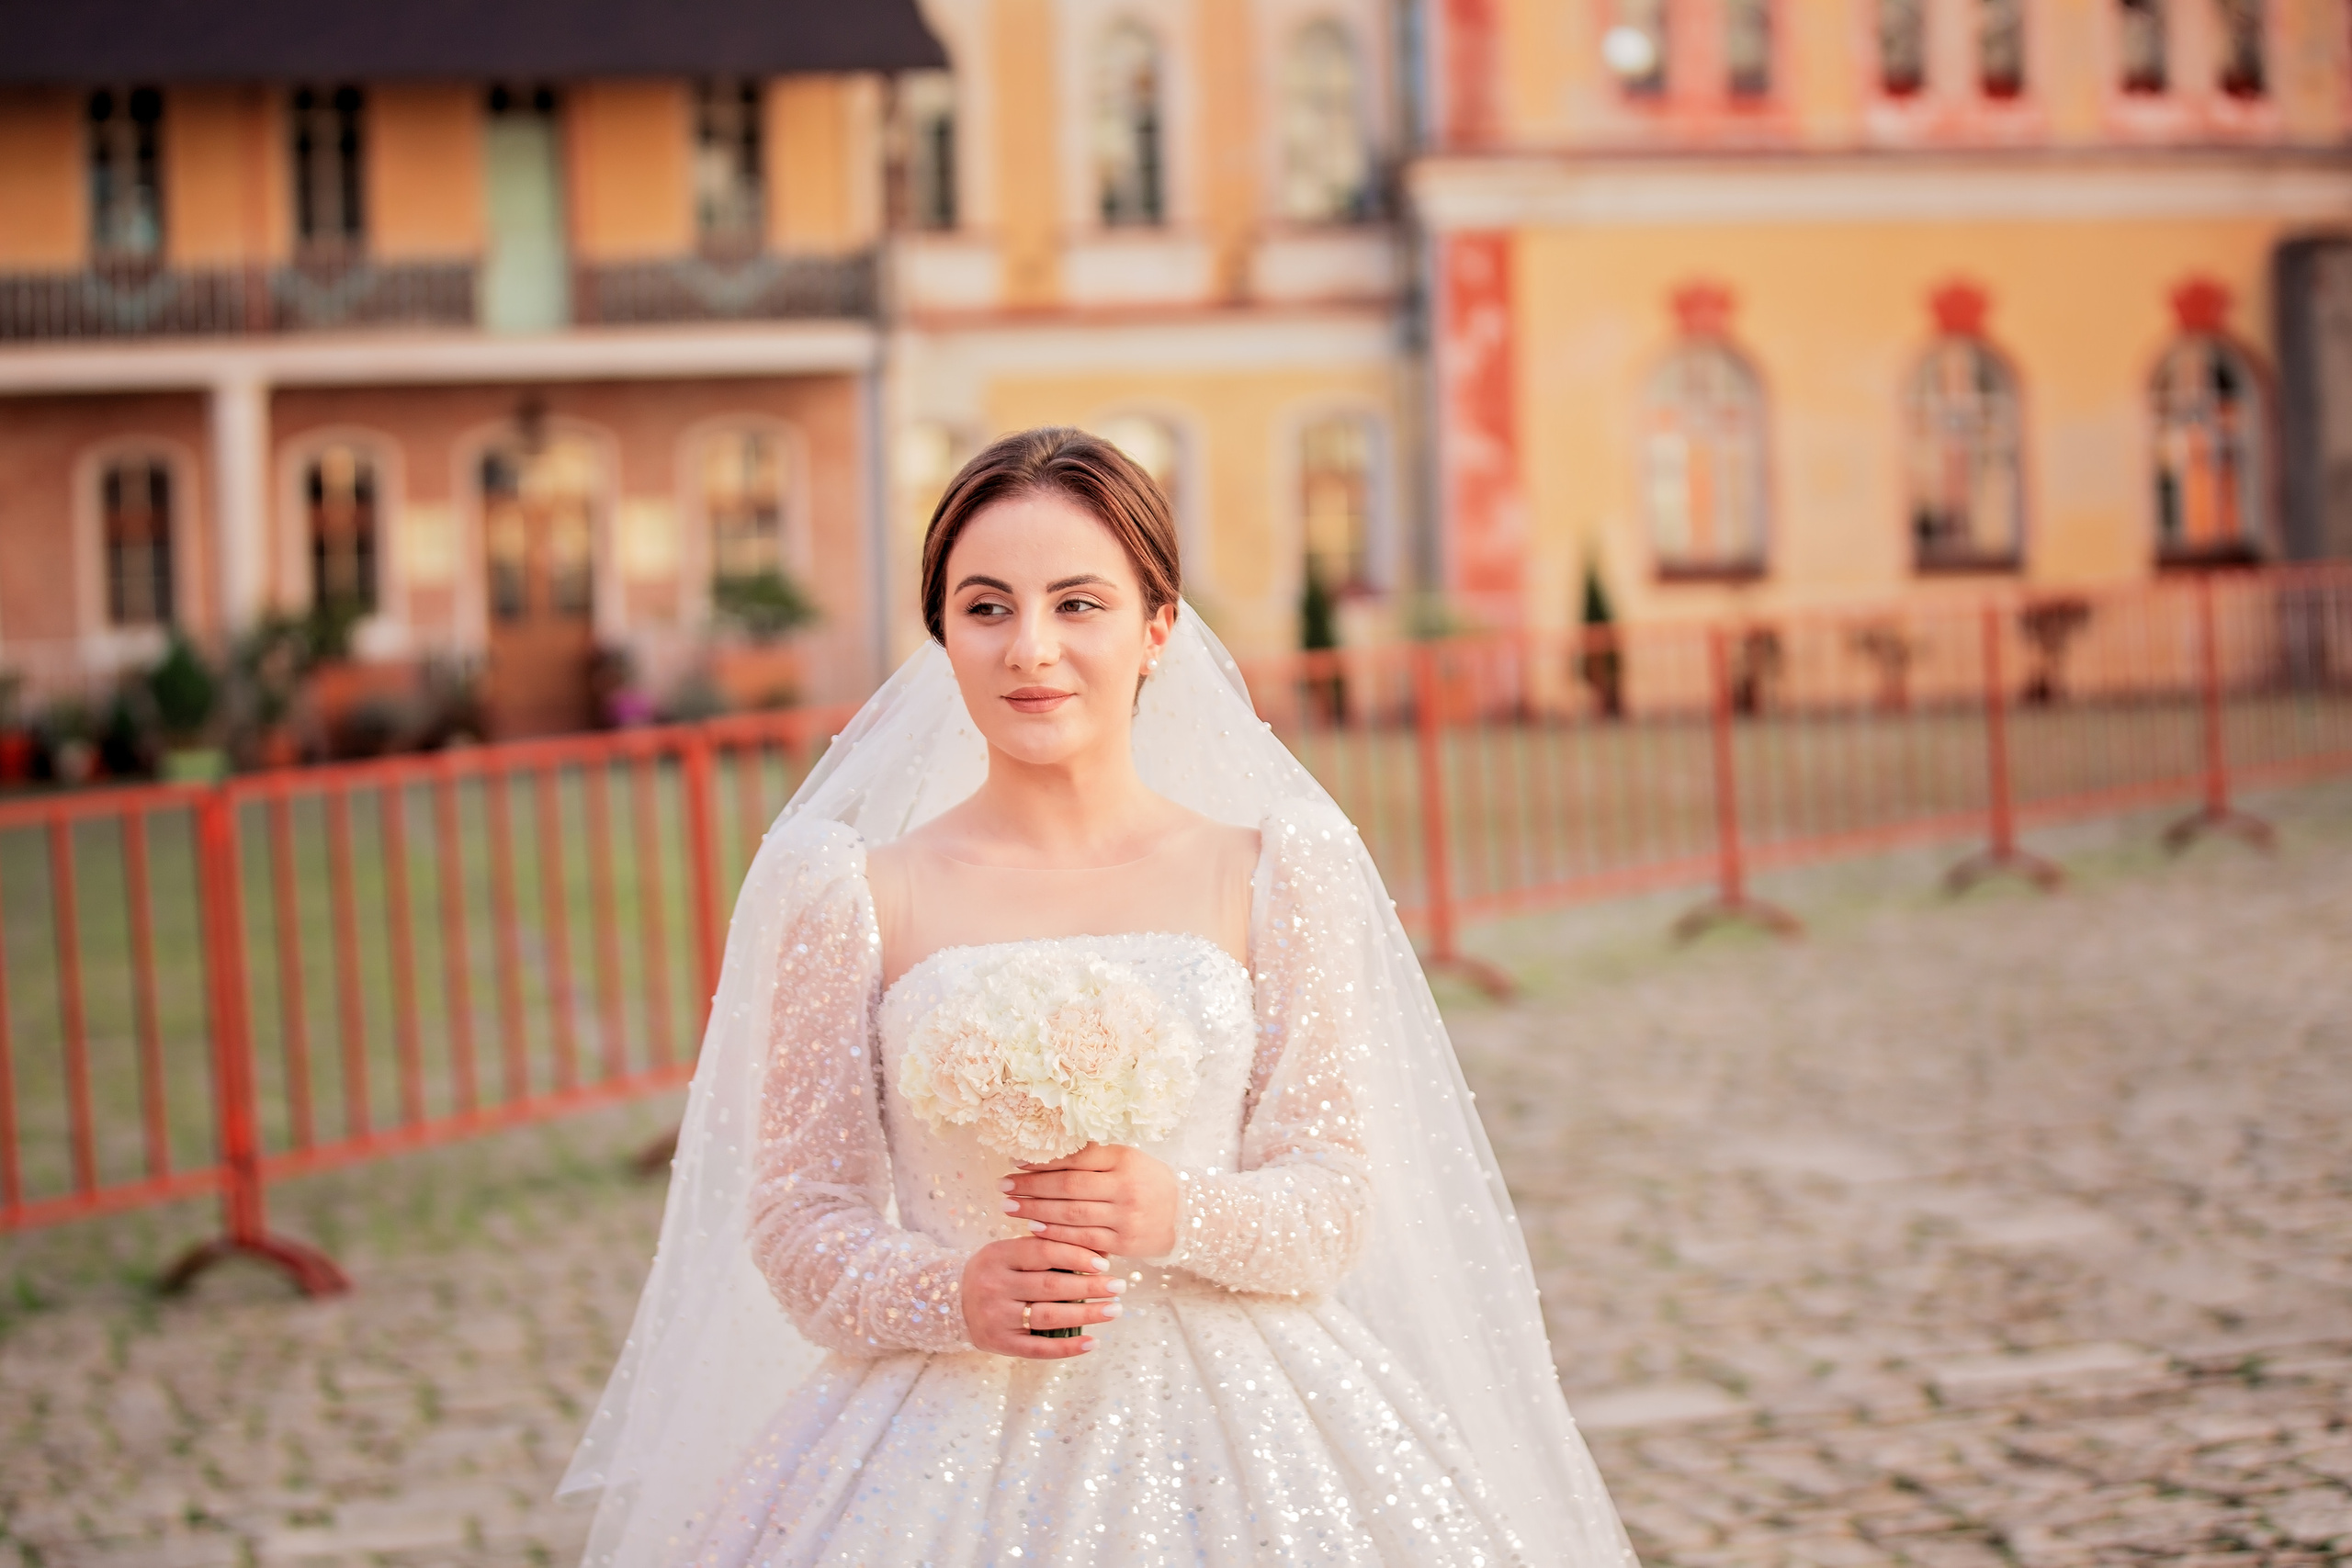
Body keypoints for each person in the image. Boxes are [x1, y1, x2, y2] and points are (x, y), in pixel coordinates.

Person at [562, 428, 1634, 1567]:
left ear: (1156, 629)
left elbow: (1333, 1199)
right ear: (941, 635)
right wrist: (951, 1292)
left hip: (1241, 1427)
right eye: (985, 608)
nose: (1032, 650)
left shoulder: (1277, 869)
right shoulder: (855, 895)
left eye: (1079, 605)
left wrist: (1179, 1212)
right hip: (939, 1447)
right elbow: (798, 1217)